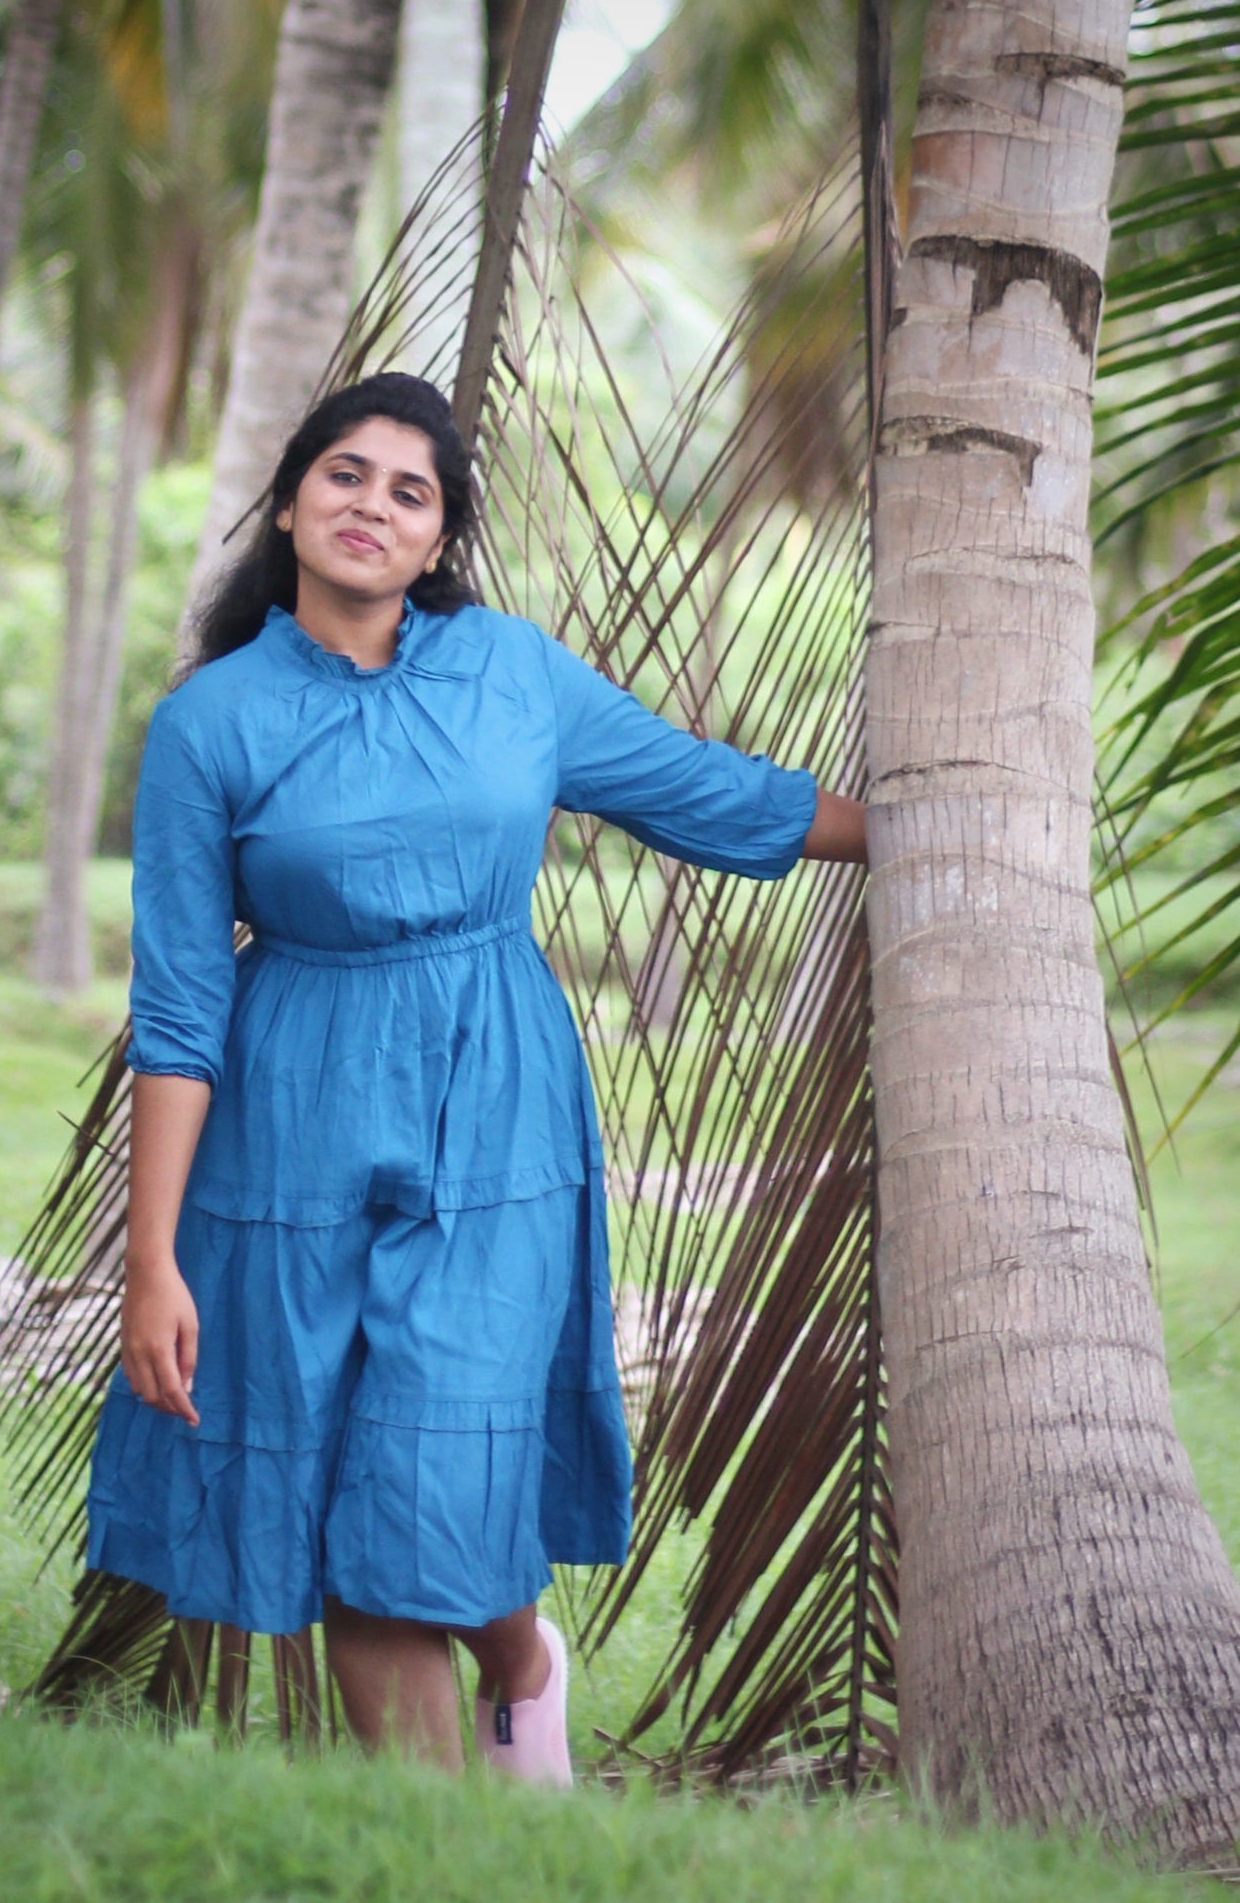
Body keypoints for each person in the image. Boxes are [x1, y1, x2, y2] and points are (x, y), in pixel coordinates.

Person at [85, 372, 867, 1782]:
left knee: (436, 1456)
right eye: (344, 474)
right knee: (349, 1495)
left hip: (493, 1107)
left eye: (410, 491)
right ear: (288, 503)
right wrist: (152, 1264)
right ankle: (443, 1856)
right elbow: (180, 1012)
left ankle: (519, 1662)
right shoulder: (210, 724)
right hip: (288, 1126)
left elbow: (698, 787)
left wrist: (936, 822)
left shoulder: (513, 672)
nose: (371, 506)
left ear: (439, 538)